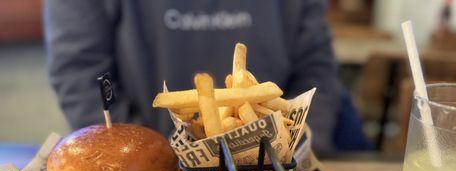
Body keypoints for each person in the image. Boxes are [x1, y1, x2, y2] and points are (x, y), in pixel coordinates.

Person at [44, 0, 368, 155]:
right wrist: (151, 164)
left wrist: (296, 150)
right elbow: (80, 71)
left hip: (277, 169)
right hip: (153, 164)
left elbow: (317, 68)